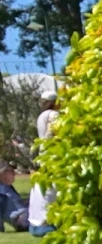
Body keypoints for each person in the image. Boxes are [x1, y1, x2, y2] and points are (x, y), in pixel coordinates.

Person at [28, 90, 58, 236]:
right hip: (52, 153)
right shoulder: (54, 115)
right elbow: (52, 134)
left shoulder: (41, 116)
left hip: (43, 154)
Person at [0, 163, 26, 231]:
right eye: (11, 171)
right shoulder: (2, 191)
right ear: (2, 174)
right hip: (21, 220)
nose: (14, 173)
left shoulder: (8, 187)